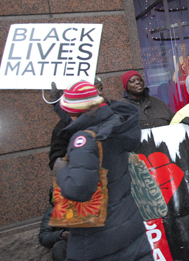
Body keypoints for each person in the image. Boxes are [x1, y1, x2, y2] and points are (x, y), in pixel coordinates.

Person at [55, 81, 152, 260]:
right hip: (129, 227)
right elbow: (84, 114)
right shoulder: (116, 124)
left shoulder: (84, 139)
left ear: (73, 111)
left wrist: (61, 171)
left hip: (97, 239)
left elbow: (79, 189)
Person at [39, 188, 68, 261]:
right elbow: (44, 237)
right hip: (68, 243)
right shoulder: (51, 213)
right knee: (59, 247)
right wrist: (60, 234)